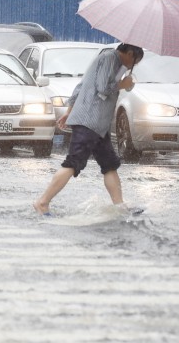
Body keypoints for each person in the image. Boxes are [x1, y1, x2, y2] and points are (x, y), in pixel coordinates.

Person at [33, 43, 144, 216]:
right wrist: (122, 84)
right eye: (135, 61)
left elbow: (81, 86)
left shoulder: (110, 62)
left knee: (110, 164)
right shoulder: (109, 58)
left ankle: (120, 207)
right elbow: (102, 88)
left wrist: (69, 112)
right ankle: (42, 202)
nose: (133, 65)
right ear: (130, 53)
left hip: (98, 124)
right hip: (90, 121)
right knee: (73, 163)